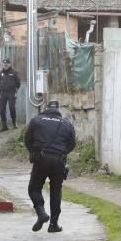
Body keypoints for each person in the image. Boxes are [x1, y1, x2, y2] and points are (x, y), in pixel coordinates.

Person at [25, 100, 76, 233]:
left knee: (34, 188)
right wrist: (62, 153)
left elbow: (28, 140)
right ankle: (54, 224)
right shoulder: (67, 124)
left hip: (41, 159)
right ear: (58, 109)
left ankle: (41, 213)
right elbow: (72, 144)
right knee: (56, 191)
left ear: (46, 108)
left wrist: (34, 152)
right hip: (59, 161)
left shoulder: (36, 120)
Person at [0, 59, 21, 131]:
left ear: (10, 64)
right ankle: (4, 126)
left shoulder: (14, 73)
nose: (5, 65)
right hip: (3, 93)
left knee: (12, 108)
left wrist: (15, 90)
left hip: (11, 93)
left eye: (7, 63)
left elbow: (18, 83)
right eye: (4, 63)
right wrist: (1, 90)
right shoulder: (0, 73)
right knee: (2, 109)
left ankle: (14, 123)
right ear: (2, 64)